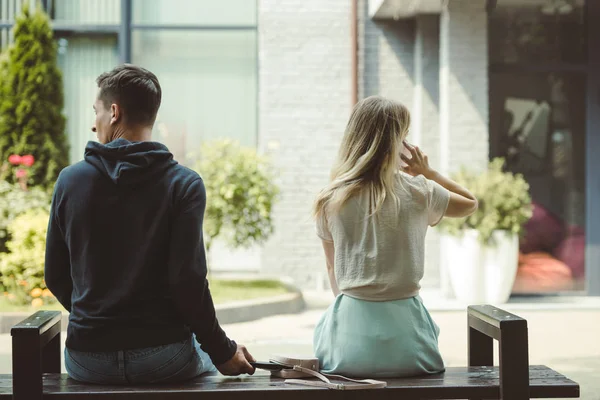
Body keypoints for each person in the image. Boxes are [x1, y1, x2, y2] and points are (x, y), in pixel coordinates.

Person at [44, 64, 255, 384]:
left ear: (113, 112)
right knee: (206, 354)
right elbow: (188, 281)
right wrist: (224, 352)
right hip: (163, 358)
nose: (93, 123)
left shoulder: (70, 181)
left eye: (95, 112)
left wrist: (99, 322)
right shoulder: (184, 184)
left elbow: (55, 273)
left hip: (87, 359)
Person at [312, 96, 478, 378]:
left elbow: (332, 269)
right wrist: (428, 172)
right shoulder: (420, 191)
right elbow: (469, 203)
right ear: (397, 142)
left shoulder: (330, 199)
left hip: (347, 351)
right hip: (410, 346)